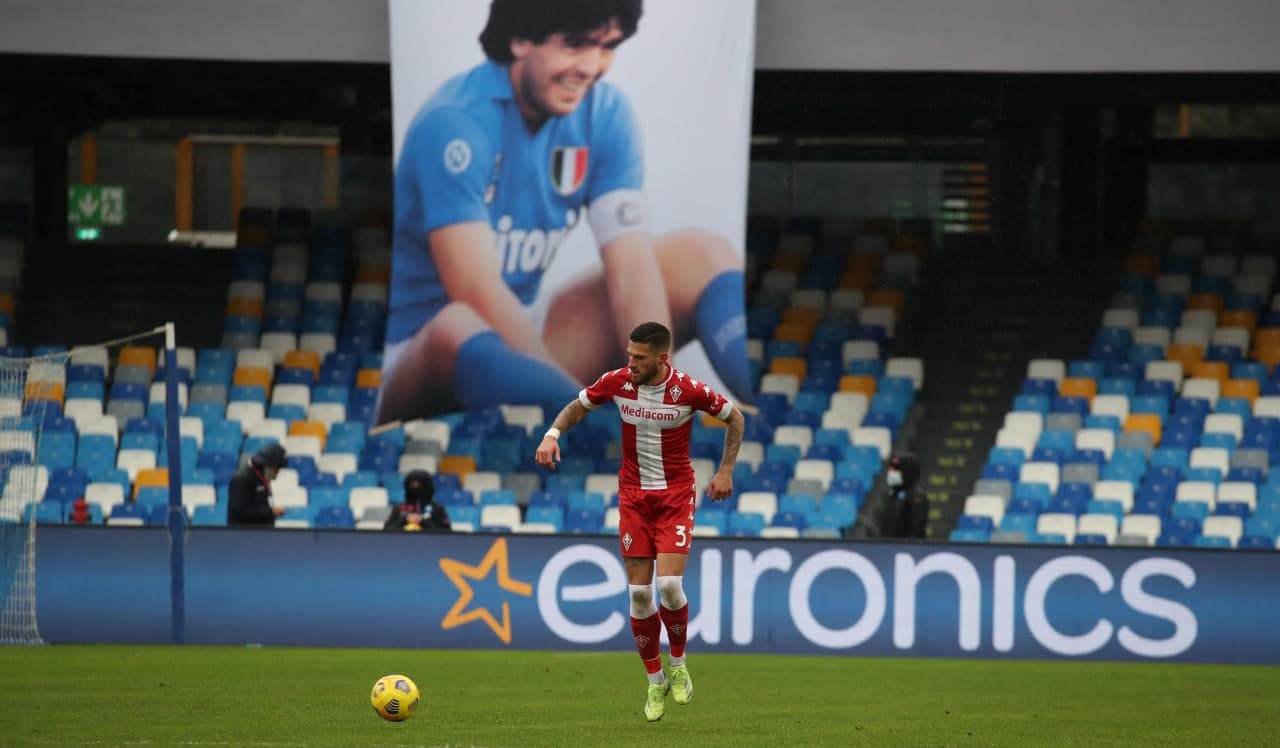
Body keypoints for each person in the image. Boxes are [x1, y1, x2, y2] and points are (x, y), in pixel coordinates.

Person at [377, 0, 750, 423]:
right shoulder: (454, 123)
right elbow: (475, 290)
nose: (592, 66)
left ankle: (767, 423)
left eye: (607, 46)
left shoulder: (605, 113)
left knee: (700, 253)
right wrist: (577, 409)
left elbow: (630, 268)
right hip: (422, 350)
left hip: (522, 337)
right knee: (458, 322)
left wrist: (654, 397)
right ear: (519, 39)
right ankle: (580, 429)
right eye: (575, 45)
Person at [535, 321, 744, 722]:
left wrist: (726, 470)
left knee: (669, 586)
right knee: (639, 597)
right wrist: (552, 435)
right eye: (629, 354)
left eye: (639, 357)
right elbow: (578, 405)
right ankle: (655, 682)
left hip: (675, 496)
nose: (630, 362)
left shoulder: (688, 390)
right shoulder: (618, 382)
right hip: (633, 497)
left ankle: (679, 665)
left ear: (662, 358)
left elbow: (735, 419)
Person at [228, 443, 288, 527]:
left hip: (262, 533)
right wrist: (270, 512)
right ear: (268, 465)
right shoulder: (242, 479)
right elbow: (239, 511)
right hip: (244, 534)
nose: (277, 473)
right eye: (276, 468)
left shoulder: (262, 478)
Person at [383, 470, 452, 532]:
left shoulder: (437, 508)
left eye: (419, 483)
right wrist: (405, 520)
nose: (415, 486)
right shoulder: (399, 507)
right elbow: (386, 530)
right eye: (412, 483)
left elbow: (447, 532)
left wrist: (422, 521)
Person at [881, 452, 928, 539]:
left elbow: (916, 531)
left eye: (895, 470)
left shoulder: (917, 497)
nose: (890, 473)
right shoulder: (891, 495)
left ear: (907, 472)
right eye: (891, 469)